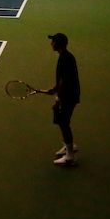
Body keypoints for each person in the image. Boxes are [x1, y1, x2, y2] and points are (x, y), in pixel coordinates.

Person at [45, 33, 80, 166]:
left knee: (63, 123)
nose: (51, 44)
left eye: (53, 41)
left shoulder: (65, 58)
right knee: (61, 121)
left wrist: (57, 100)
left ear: (58, 43)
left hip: (68, 96)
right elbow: (63, 79)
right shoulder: (66, 56)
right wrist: (55, 88)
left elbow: (65, 82)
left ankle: (70, 155)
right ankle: (69, 146)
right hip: (69, 93)